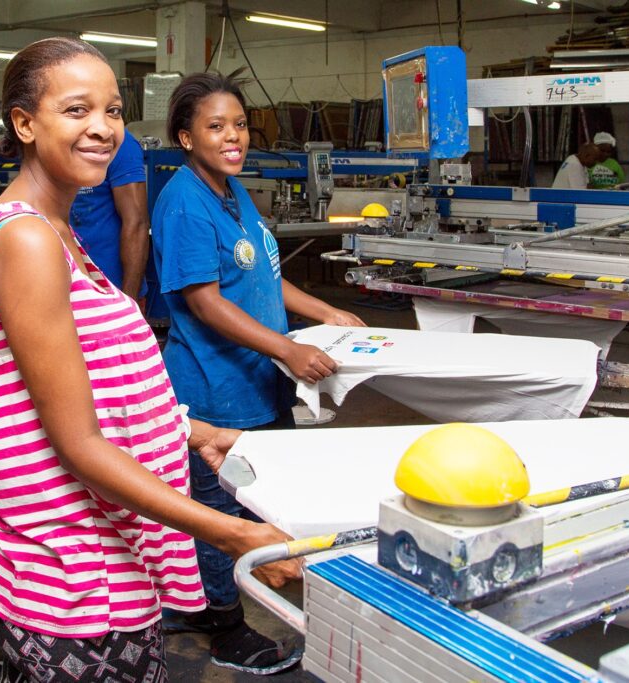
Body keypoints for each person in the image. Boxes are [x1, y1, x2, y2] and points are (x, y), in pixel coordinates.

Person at [0, 37, 300, 682]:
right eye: (77, 110)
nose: (103, 129)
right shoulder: (27, 240)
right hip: (69, 581)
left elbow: (104, 391)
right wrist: (231, 535)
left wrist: (195, 433)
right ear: (25, 123)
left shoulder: (60, 234)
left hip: (106, 564)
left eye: (113, 111)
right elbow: (78, 443)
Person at [150, 71, 366, 674]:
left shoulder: (233, 191)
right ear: (185, 137)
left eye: (239, 124)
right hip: (215, 389)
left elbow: (264, 276)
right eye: (215, 126)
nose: (232, 136)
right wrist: (289, 350)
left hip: (260, 384)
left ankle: (239, 594)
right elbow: (204, 302)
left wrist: (325, 312)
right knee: (220, 513)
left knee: (270, 497)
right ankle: (222, 624)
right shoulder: (185, 202)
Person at [69, 128, 149, 301]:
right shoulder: (58, 141)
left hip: (111, 287)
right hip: (66, 285)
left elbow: (136, 222)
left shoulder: (121, 144)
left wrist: (129, 302)